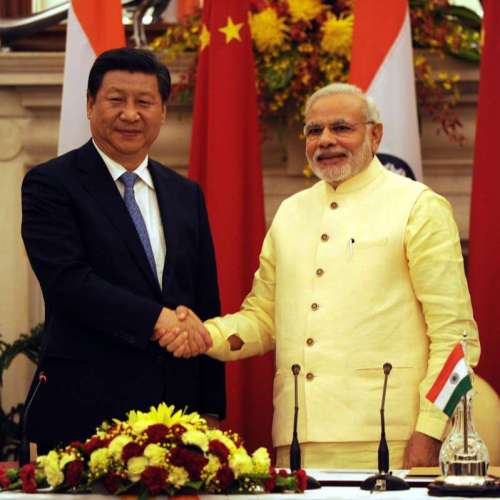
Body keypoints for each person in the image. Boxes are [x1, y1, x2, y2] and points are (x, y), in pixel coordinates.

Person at [158, 83, 480, 469]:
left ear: (375, 135)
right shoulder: (291, 212)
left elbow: (457, 338)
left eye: (341, 128)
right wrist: (205, 335)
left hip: (392, 440)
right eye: (314, 130)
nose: (325, 140)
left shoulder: (417, 206)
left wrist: (429, 431)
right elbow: (263, 318)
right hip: (296, 440)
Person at [21, 48, 224, 454]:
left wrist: (211, 408)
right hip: (84, 409)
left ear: (163, 112)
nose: (130, 114)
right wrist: (158, 320)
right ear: (91, 104)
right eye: (116, 100)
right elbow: (69, 283)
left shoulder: (186, 194)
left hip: (176, 414)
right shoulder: (50, 184)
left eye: (144, 102)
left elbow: (204, 300)